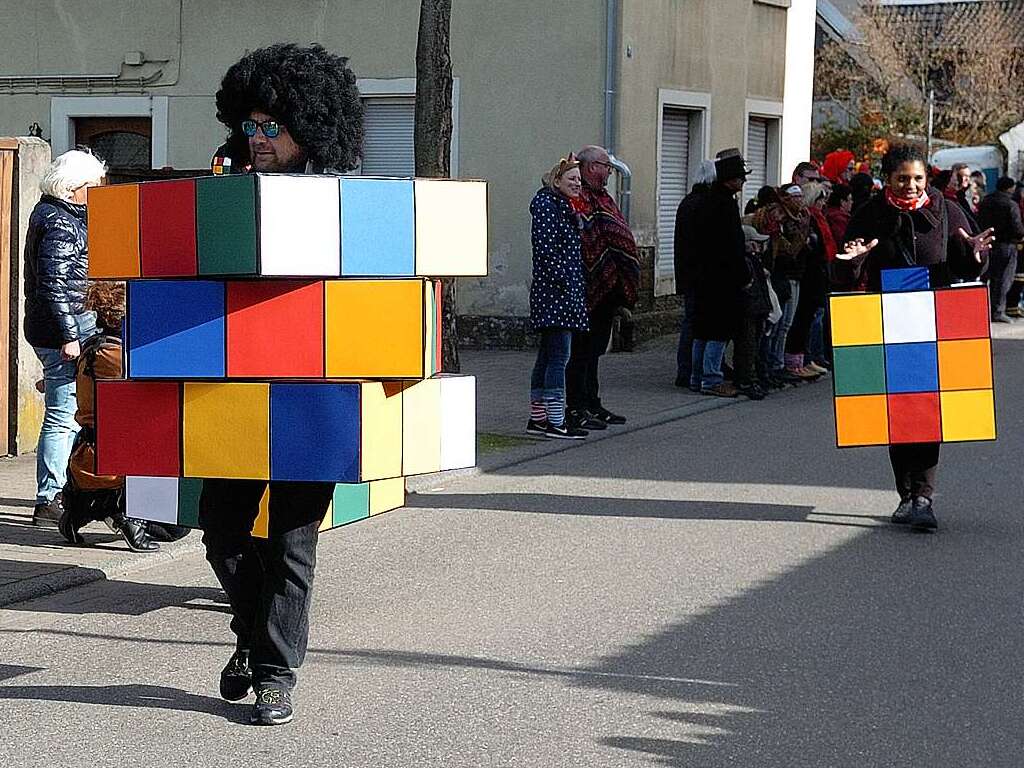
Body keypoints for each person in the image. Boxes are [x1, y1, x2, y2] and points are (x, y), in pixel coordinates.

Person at [201, 43, 364, 727]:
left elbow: (371, 301)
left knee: (293, 544)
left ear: (311, 127)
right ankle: (251, 636)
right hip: (232, 393)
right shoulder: (223, 197)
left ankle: (275, 674)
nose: (259, 139)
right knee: (222, 533)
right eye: (252, 126)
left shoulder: (343, 203)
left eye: (274, 127)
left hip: (314, 395)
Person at [835, 144, 994, 531]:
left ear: (927, 179)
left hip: (931, 324)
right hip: (885, 322)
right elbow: (845, 271)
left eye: (918, 178)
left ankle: (923, 497)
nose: (910, 185)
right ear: (887, 178)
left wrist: (975, 254)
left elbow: (968, 261)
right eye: (902, 178)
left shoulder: (946, 209)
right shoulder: (870, 215)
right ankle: (905, 495)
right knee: (897, 413)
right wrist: (855, 261)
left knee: (926, 412)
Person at [23, 150, 106, 527]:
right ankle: (50, 497)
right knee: (63, 413)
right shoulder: (60, 222)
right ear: (75, 188)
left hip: (61, 325)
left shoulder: (55, 214)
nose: (98, 191)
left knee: (70, 403)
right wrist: (69, 337)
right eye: (93, 186)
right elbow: (54, 284)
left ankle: (66, 488)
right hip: (65, 328)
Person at [58, 281, 162, 552]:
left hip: (89, 449)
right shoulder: (115, 354)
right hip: (114, 453)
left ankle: (81, 510)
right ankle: (125, 517)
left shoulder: (95, 347)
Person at [565, 145, 638, 429]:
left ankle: (592, 402)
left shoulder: (604, 198)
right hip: (585, 287)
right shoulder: (577, 198)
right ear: (590, 167)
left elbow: (615, 233)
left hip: (608, 288)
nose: (609, 171)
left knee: (594, 351)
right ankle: (576, 405)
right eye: (605, 166)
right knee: (580, 352)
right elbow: (587, 239)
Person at [528, 154, 589, 439]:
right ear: (556, 180)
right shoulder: (548, 207)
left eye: (579, 179)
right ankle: (555, 419)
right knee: (559, 358)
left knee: (548, 355)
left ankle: (538, 417)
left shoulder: (564, 208)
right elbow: (546, 249)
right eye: (571, 179)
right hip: (555, 295)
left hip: (562, 293)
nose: (577, 184)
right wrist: (564, 281)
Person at [688, 149, 751, 397]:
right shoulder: (724, 205)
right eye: (740, 177)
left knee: (702, 330)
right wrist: (742, 275)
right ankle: (711, 379)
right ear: (729, 179)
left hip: (703, 276)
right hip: (722, 279)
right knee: (719, 330)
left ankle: (696, 376)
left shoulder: (705, 200)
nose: (743, 182)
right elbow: (732, 245)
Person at [673, 159, 717, 390]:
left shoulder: (687, 202)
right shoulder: (706, 204)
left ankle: (686, 369)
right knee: (696, 324)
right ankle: (691, 370)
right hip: (701, 275)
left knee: (691, 322)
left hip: (688, 273)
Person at [977, 176, 1024, 322]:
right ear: (1010, 188)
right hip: (1006, 245)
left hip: (987, 243)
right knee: (1004, 279)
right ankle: (998, 311)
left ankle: (982, 310)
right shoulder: (1010, 204)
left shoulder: (985, 201)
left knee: (986, 278)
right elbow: (1017, 228)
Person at [734, 225, 773, 400]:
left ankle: (752, 377)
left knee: (753, 344)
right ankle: (746, 380)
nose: (758, 246)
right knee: (747, 345)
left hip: (757, 309)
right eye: (754, 242)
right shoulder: (745, 262)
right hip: (748, 309)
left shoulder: (753, 260)